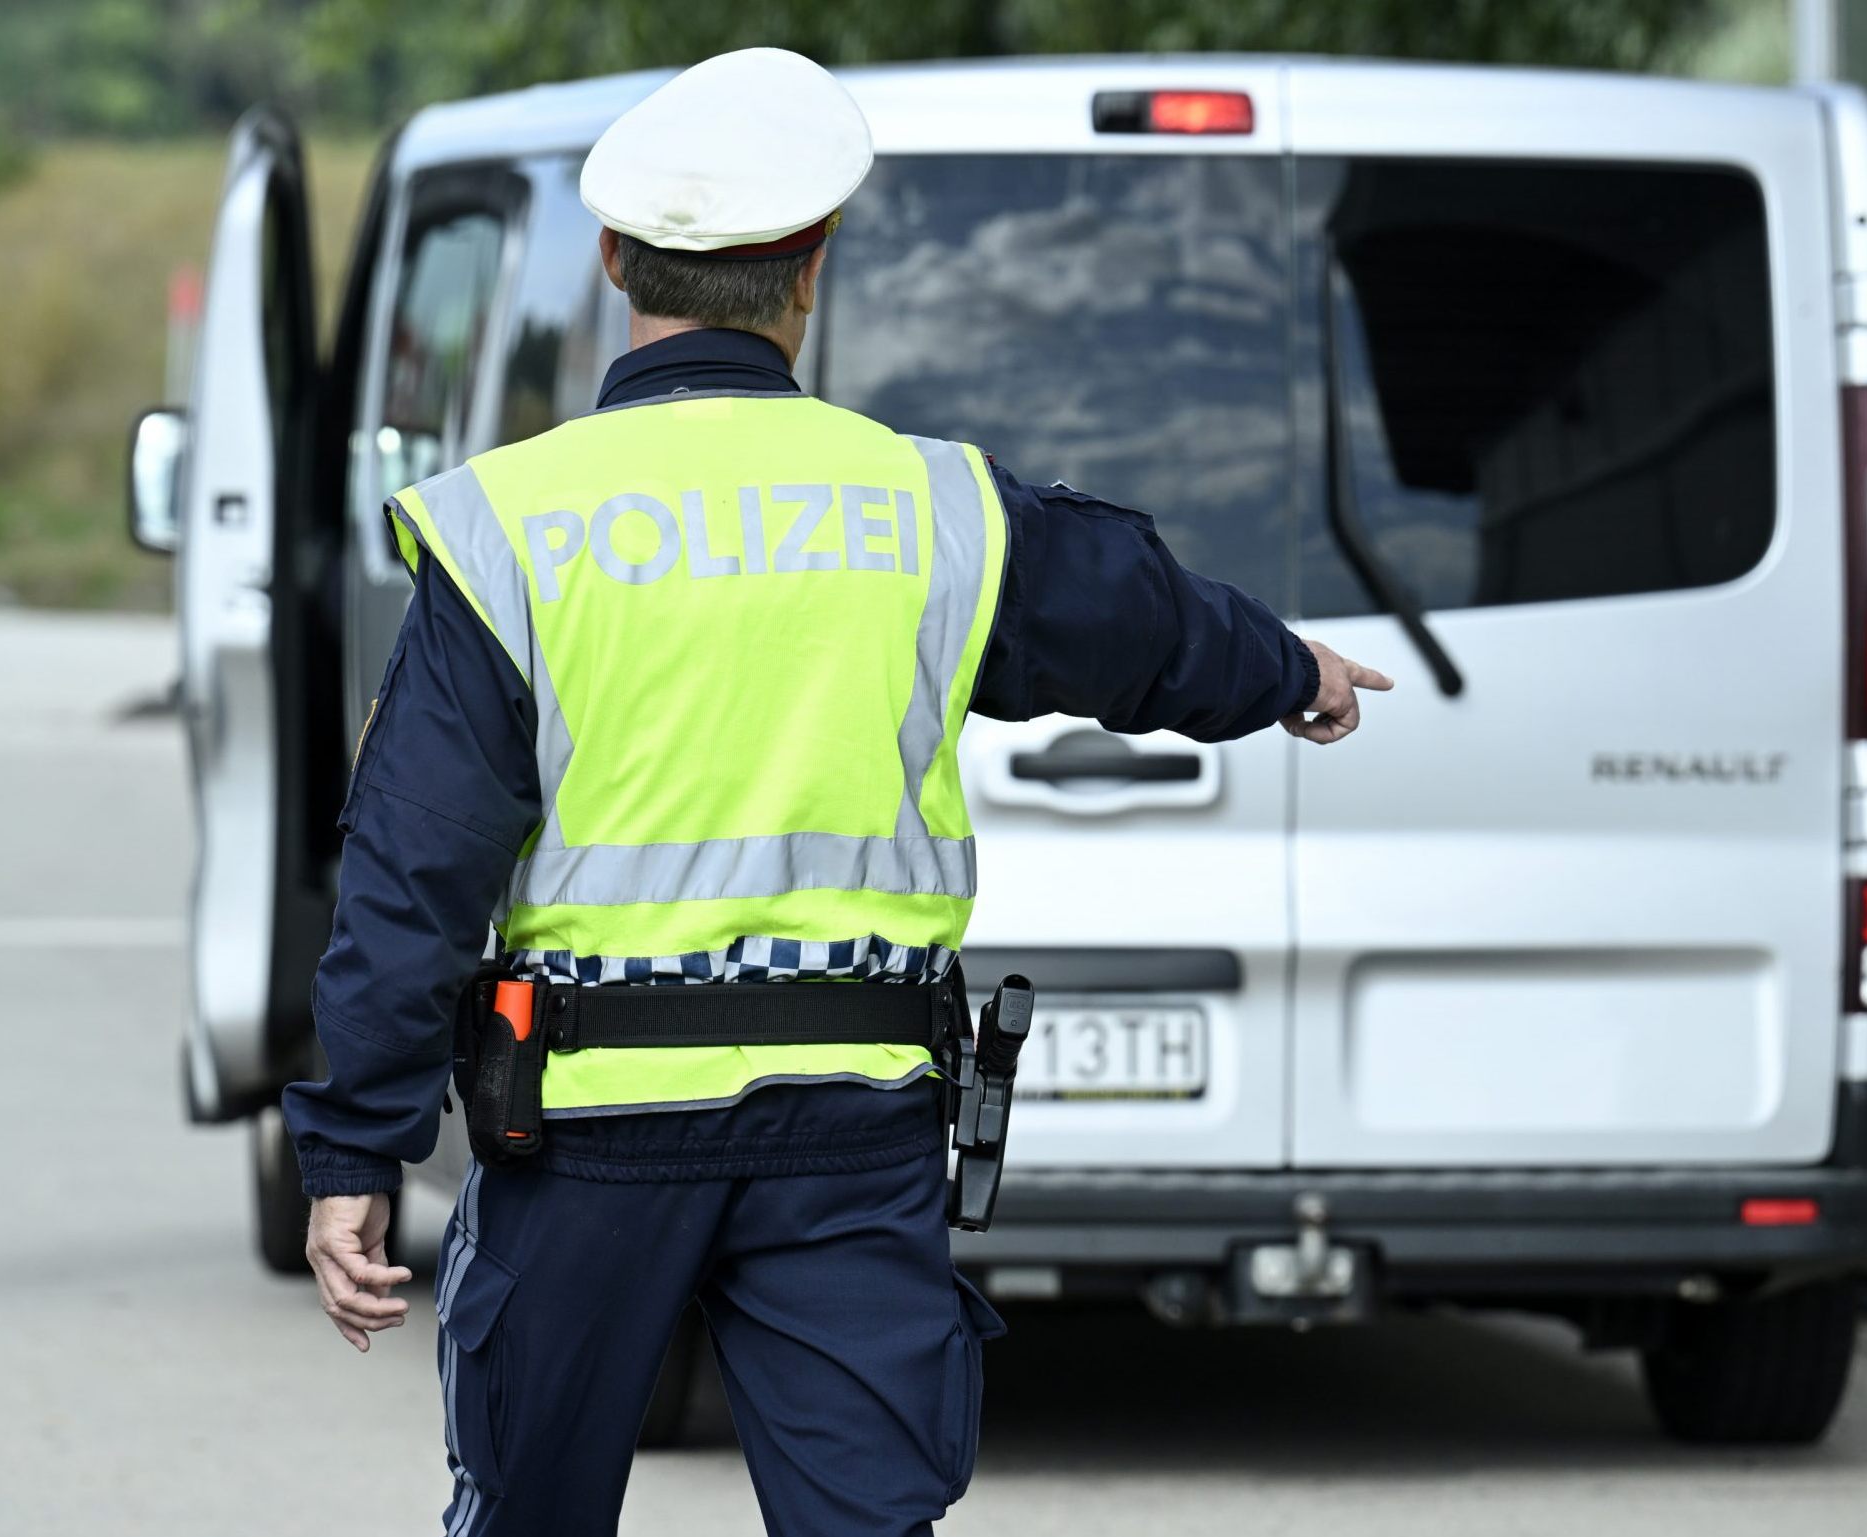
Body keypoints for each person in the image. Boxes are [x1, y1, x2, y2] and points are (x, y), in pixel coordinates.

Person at [281, 47, 1391, 1537]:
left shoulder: (513, 528)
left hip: (588, 1129)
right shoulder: (933, 507)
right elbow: (1134, 616)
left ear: (613, 261)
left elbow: (412, 869)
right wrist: (1288, 669)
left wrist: (356, 1146)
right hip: (855, 1127)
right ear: (811, 267)